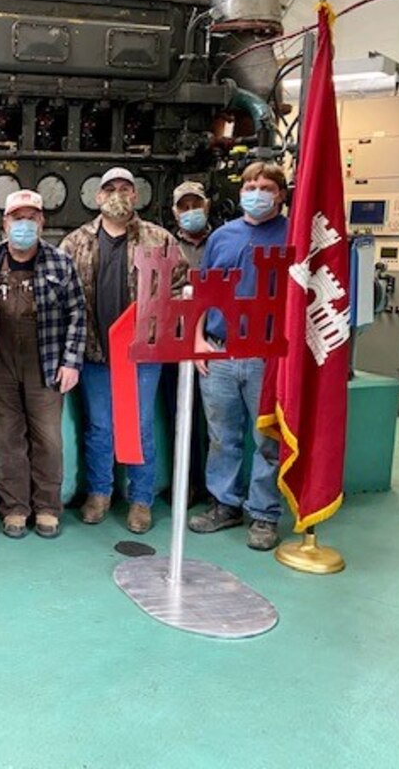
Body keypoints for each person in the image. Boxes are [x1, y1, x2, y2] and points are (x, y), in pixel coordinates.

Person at [60, 167, 186, 534]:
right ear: (97, 197)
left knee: (141, 427)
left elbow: (180, 288)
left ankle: (140, 499)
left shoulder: (159, 239)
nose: (117, 194)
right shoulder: (76, 242)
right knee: (99, 427)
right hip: (95, 354)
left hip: (141, 355)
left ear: (136, 195)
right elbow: (63, 294)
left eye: (125, 188)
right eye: (109, 188)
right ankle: (99, 493)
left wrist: (159, 326)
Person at [188, 161, 289, 551]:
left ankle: (264, 514)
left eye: (266, 186)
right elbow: (204, 292)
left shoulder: (292, 235)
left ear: (280, 194)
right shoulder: (222, 238)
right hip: (220, 353)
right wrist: (198, 339)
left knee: (268, 439)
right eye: (250, 185)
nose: (257, 192)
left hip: (267, 355)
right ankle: (225, 505)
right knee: (222, 436)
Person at [0, 189, 85, 539]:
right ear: (5, 222)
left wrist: (71, 362)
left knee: (48, 439)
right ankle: (14, 508)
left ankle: (46, 507)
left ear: (42, 222)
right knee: (5, 437)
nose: (24, 225)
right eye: (17, 218)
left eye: (31, 218)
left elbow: (77, 313)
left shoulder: (60, 262)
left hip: (46, 361)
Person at [160, 180, 212, 502]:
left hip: (212, 344)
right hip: (175, 341)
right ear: (175, 212)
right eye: (184, 206)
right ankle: (187, 484)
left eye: (196, 205)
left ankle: (215, 489)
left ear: (206, 206)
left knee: (216, 421)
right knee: (179, 416)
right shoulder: (166, 245)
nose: (191, 212)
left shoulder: (221, 241)